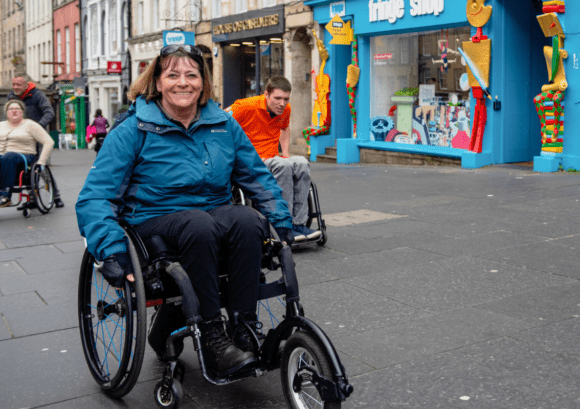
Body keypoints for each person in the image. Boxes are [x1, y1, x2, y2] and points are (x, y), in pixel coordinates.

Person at [76, 45, 295, 377]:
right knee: (197, 224)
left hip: (211, 215)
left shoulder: (224, 125)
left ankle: (243, 327)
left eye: (191, 75)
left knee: (250, 220)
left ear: (203, 83)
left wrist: (279, 219)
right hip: (151, 223)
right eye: (173, 75)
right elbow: (96, 196)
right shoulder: (133, 130)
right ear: (159, 83)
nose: (183, 82)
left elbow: (256, 177)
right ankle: (212, 336)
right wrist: (109, 247)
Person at [227, 76, 321, 242]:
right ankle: (282, 224)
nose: (282, 103)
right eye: (277, 98)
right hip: (251, 161)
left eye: (285, 99)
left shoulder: (285, 110)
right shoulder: (245, 106)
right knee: (282, 165)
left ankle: (298, 224)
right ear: (266, 95)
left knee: (301, 163)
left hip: (273, 157)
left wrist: (285, 152)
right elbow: (221, 121)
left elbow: (284, 128)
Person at [8, 73, 64, 208]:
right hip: (20, 137)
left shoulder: (37, 95)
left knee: (40, 166)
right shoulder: (12, 97)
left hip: (37, 137)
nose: (15, 87)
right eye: (14, 84)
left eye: (18, 84)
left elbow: (49, 112)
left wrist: (37, 126)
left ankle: (55, 195)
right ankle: (32, 198)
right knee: (23, 167)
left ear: (26, 85)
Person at [0, 100, 54, 207]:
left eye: (17, 109)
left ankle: (5, 195)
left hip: (24, 156)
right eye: (11, 109)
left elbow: (49, 141)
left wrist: (41, 162)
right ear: (6, 112)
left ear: (22, 112)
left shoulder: (30, 125)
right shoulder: (1, 125)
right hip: (3, 157)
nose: (14, 111)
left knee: (9, 156)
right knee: (5, 157)